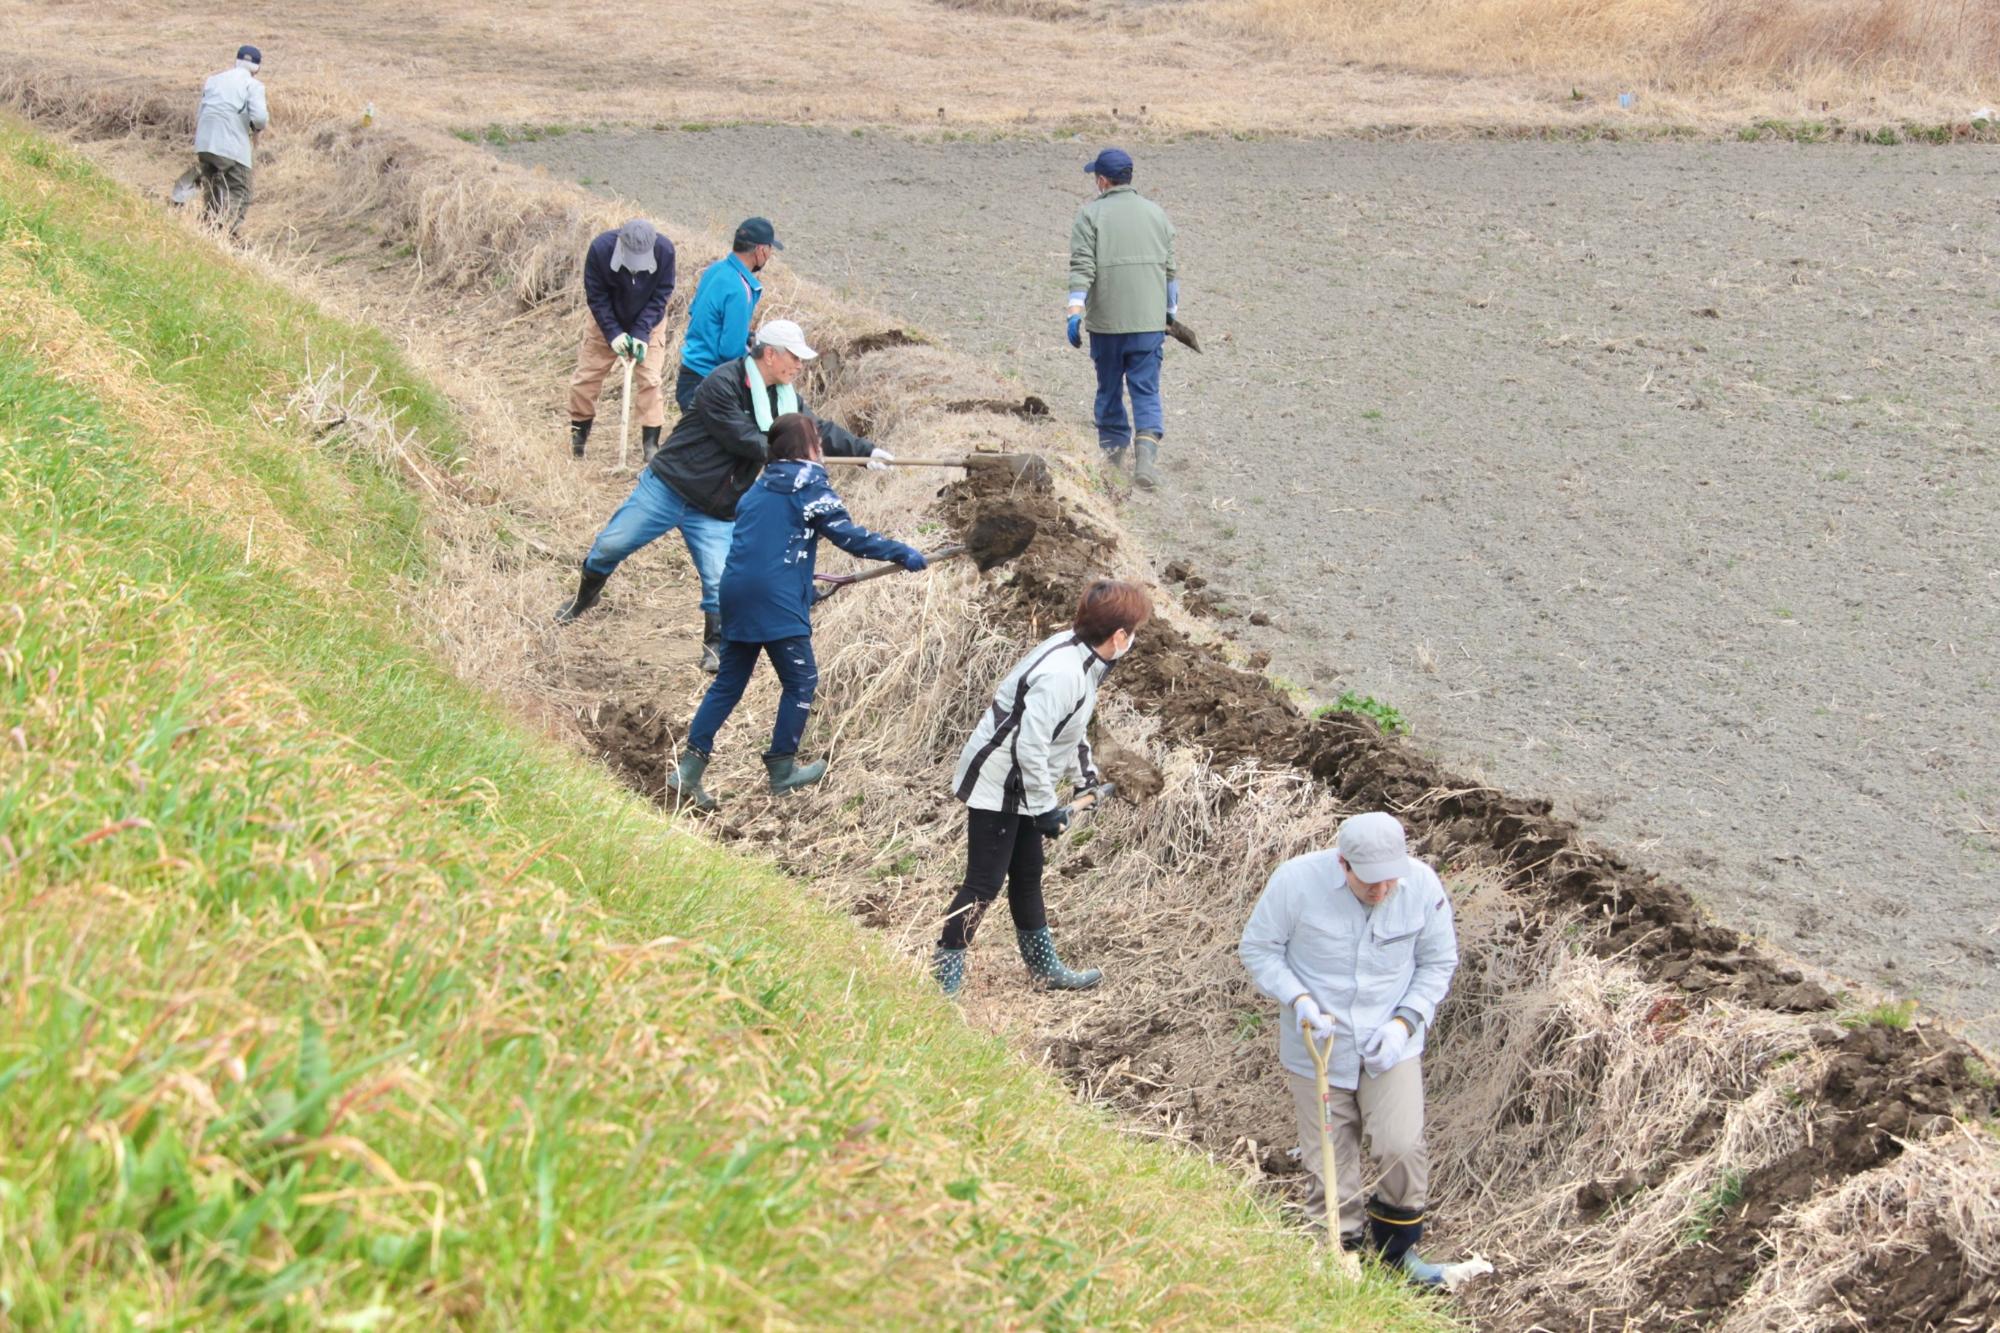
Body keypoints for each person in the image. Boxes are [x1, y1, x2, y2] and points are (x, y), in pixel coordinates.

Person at [554, 320, 894, 674]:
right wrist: (794, 455)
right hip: (669, 487)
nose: (799, 366)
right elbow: (743, 438)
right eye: (794, 358)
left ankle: (714, 645)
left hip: (717, 508)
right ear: (770, 354)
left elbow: (815, 430)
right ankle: (584, 597)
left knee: (720, 581)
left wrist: (866, 453)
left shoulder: (784, 398)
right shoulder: (722, 383)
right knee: (610, 545)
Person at [1237, 811, 1459, 1285]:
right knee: (1330, 1157)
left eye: (1389, 881)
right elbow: (1259, 948)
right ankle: (1339, 1249)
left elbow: (1438, 961)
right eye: (1370, 883)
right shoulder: (1296, 883)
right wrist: (1298, 999)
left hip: (1390, 1043)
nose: (1381, 892)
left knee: (1400, 1144)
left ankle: (1399, 1253)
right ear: (1343, 864)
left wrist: (1405, 1022)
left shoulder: (1421, 887)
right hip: (1318, 1043)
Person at [665, 414, 928, 809]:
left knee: (728, 684)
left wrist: (804, 590)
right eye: (817, 443)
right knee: (802, 680)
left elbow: (766, 549)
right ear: (807, 448)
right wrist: (900, 551)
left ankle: (688, 771)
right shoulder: (808, 484)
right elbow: (848, 537)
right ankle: (782, 769)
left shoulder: (758, 488)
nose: (821, 450)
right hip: (773, 598)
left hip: (735, 592)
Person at [931, 579, 1152, 997]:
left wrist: (1085, 778)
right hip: (1001, 782)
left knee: (1028, 874)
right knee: (983, 883)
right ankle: (944, 978)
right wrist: (1046, 808)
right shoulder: (1063, 672)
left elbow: (1070, 730)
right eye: (1134, 632)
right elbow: (1031, 746)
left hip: (1025, 783)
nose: (1134, 640)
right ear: (1119, 636)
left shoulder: (1081, 656)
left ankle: (1044, 969)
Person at [1066, 147, 1179, 490]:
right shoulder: (1157, 214)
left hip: (1108, 326)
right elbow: (1170, 272)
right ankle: (1145, 461)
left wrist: (1074, 311)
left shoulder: (1090, 216)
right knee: (1146, 390)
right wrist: (1170, 315)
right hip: (1149, 323)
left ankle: (1113, 465)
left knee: (1110, 389)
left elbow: (1082, 266)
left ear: (1102, 180)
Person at [568, 219, 677, 461]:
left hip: (650, 322)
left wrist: (641, 332)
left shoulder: (665, 251)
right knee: (586, 379)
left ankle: (650, 448)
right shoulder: (600, 250)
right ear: (621, 243)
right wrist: (613, 333)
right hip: (605, 319)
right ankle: (578, 442)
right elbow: (596, 296)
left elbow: (661, 296)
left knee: (650, 380)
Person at [676, 217, 781, 412]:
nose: (769, 255)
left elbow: (698, 314)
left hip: (689, 372)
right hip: (710, 382)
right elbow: (730, 350)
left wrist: (745, 336)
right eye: (770, 249)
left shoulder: (715, 270)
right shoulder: (741, 289)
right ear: (761, 250)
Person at [188, 44, 269, 236]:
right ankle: (222, 235)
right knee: (240, 191)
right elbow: (259, 119)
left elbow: (200, 113)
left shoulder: (213, 80)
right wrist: (255, 129)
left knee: (213, 192)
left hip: (205, 142)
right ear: (257, 68)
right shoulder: (254, 85)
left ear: (236, 61)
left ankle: (204, 231)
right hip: (231, 147)